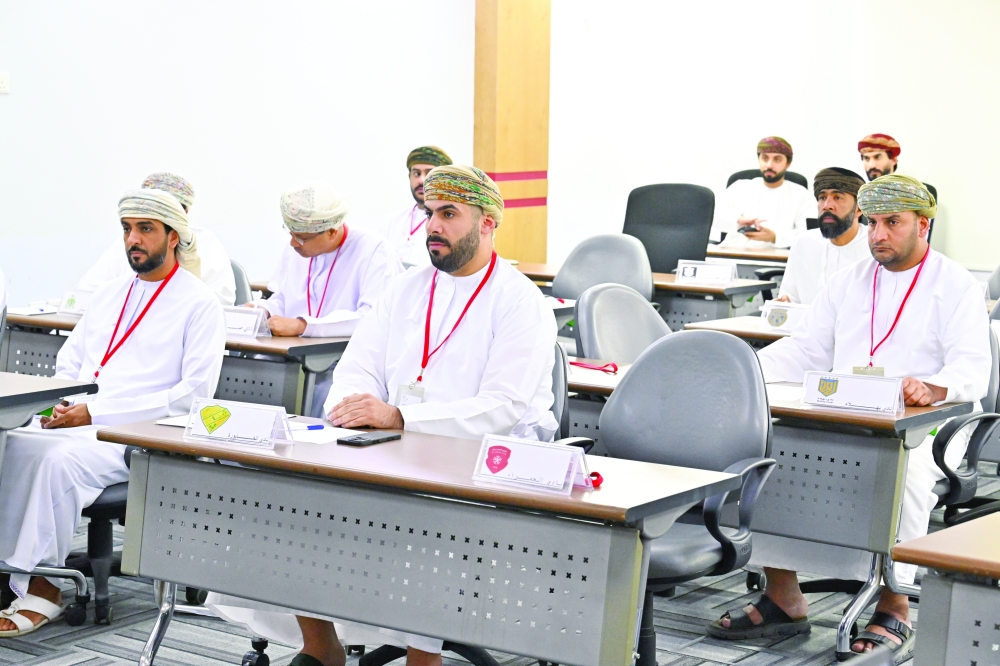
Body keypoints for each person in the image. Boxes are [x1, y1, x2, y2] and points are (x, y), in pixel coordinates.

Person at [209, 166, 558, 666]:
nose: (433, 226)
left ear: (488, 223)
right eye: (429, 213)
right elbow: (357, 368)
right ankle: (320, 645)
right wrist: (354, 410)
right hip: (392, 443)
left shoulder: (521, 301)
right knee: (287, 495)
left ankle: (423, 655)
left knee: (427, 519)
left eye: (449, 214)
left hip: (481, 457)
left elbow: (504, 406)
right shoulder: (406, 288)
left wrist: (400, 418)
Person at [707, 176, 991, 661]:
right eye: (872, 223)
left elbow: (972, 368)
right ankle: (783, 596)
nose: (878, 235)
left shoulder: (956, 284)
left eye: (892, 223)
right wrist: (744, 368)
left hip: (929, 421)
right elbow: (806, 350)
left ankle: (895, 605)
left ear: (923, 225)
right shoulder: (848, 282)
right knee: (772, 458)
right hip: (847, 412)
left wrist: (934, 387)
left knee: (903, 472)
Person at [0, 189, 226, 636]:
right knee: (11, 443)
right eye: (127, 229)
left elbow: (191, 396)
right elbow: (69, 362)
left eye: (145, 229)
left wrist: (95, 412)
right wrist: (62, 402)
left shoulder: (200, 303)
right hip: (79, 421)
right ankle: (11, 577)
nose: (133, 240)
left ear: (174, 236)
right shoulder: (109, 294)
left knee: (52, 460)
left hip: (135, 433)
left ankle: (45, 586)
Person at [252, 182, 401, 417]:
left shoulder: (374, 250)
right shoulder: (297, 249)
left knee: (326, 400)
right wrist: (262, 310)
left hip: (344, 363)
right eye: (290, 234)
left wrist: (304, 326)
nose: (293, 243)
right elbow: (281, 298)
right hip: (292, 356)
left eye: (301, 237)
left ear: (332, 231)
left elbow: (371, 319)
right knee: (254, 368)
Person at [77, 172, 237, 306]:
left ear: (184, 213)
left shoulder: (207, 244)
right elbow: (85, 294)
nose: (133, 238)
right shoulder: (131, 243)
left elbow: (219, 306)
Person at [774, 168, 872, 305]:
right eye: (822, 198)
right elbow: (790, 297)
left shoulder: (874, 245)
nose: (827, 206)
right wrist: (784, 302)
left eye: (837, 197)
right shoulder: (803, 242)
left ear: (859, 209)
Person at [712, 136, 813, 249]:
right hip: (734, 251)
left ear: (788, 163)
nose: (769, 165)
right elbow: (713, 214)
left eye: (777, 160)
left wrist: (775, 237)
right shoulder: (740, 187)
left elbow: (809, 234)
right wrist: (738, 219)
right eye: (765, 158)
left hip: (775, 256)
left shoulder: (801, 195)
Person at [382, 146, 453, 268]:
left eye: (429, 173)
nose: (422, 180)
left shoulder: (451, 223)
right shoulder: (392, 221)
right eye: (416, 173)